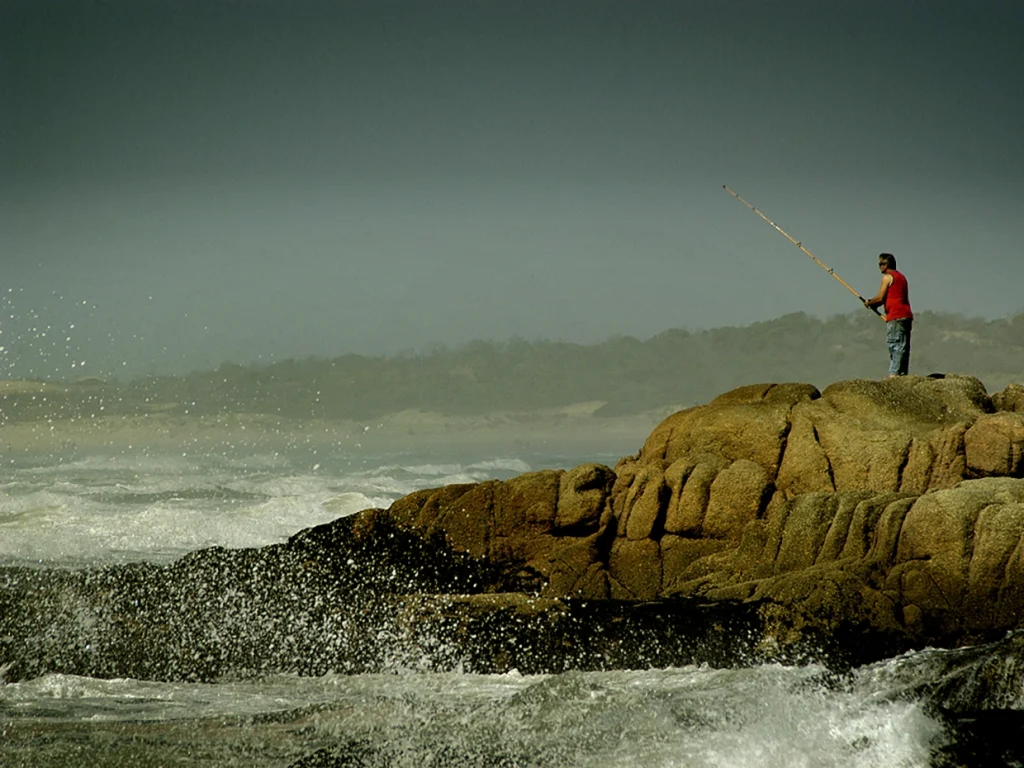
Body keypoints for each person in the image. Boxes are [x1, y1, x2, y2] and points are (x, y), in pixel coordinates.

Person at [863, 253, 913, 377]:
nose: (879, 266)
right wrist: (874, 305)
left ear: (887, 265)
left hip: (895, 316)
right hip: (906, 316)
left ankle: (893, 375)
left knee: (895, 345)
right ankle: (902, 375)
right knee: (903, 347)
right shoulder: (902, 277)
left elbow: (880, 298)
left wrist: (869, 302)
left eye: (881, 264)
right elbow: (891, 297)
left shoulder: (887, 277)